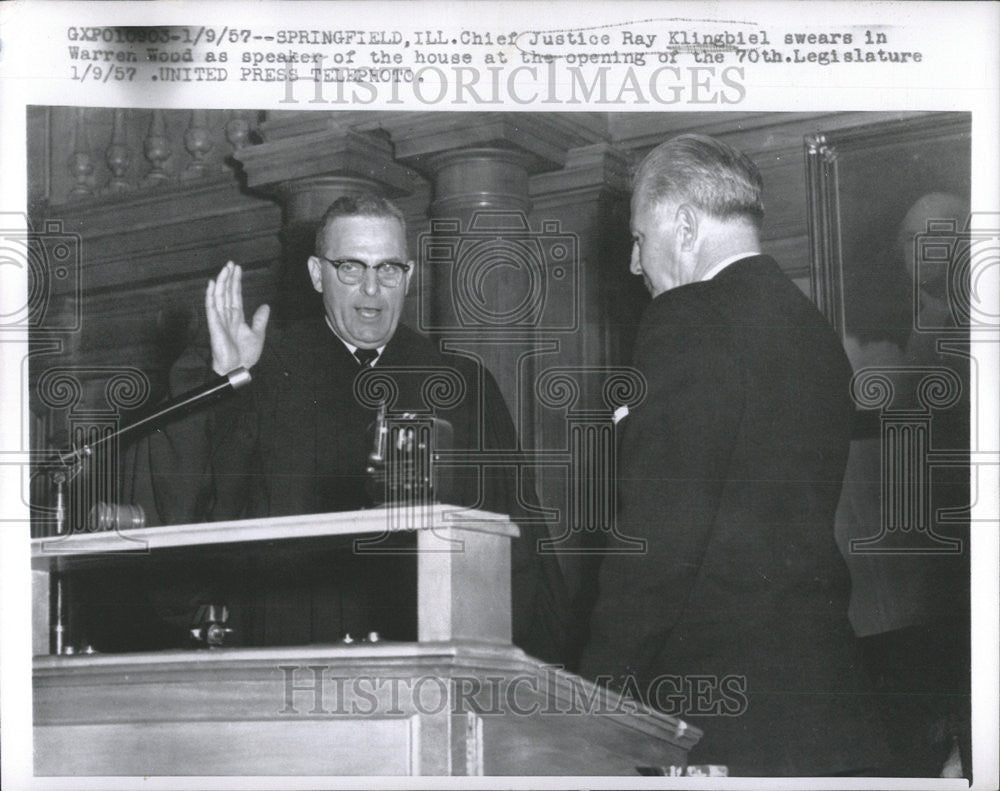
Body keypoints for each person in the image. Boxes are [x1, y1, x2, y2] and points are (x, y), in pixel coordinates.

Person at [92, 194, 568, 662]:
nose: (371, 289)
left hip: (430, 653)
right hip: (290, 653)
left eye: (388, 268)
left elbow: (520, 552)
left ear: (409, 276)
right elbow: (189, 506)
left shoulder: (461, 386)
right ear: (318, 274)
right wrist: (224, 385)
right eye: (351, 267)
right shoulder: (263, 369)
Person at [577, 134, 888, 775]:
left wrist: (594, 702)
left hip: (716, 719)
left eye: (639, 238)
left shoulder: (686, 319)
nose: (635, 264)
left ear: (685, 226)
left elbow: (655, 546)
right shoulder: (810, 328)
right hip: (823, 701)